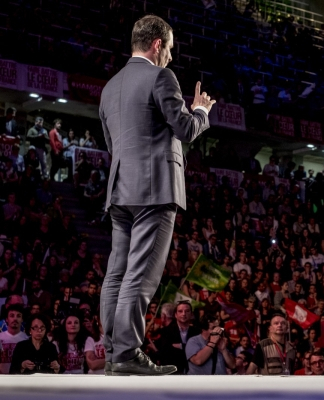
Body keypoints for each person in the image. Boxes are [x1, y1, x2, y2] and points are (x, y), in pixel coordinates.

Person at [99, 14, 215, 376]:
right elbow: (184, 128)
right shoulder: (161, 75)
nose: (170, 56)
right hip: (155, 190)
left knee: (116, 274)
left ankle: (113, 350)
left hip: (120, 190)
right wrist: (200, 111)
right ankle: (127, 354)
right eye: (170, 49)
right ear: (157, 44)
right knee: (140, 276)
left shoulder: (109, 87)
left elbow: (111, 144)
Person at [157, 301, 201, 375]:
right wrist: (189, 348)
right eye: (180, 311)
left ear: (191, 314)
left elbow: (199, 351)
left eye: (187, 311)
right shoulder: (166, 331)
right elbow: (166, 352)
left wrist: (181, 346)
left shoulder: (197, 332)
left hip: (193, 372)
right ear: (175, 315)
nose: (183, 314)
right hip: (173, 372)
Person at [0, 305, 29, 373]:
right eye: (12, 316)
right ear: (7, 319)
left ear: (22, 319)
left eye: (18, 316)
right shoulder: (0, 337)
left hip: (19, 378)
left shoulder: (27, 339)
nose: (15, 319)